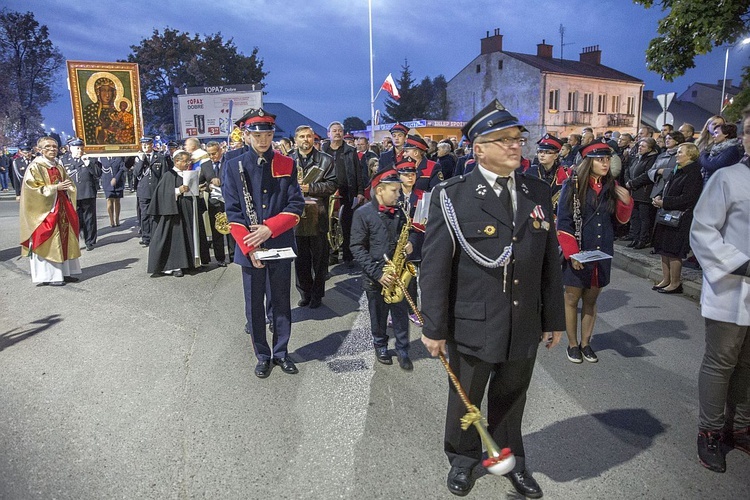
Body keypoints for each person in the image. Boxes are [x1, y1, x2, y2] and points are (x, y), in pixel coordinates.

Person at [420, 100, 565, 499]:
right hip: (473, 319)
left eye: (518, 139)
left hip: (523, 321)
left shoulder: (537, 190)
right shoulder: (453, 195)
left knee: (512, 395)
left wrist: (553, 318)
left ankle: (510, 458)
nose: (516, 146)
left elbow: (548, 260)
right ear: (478, 148)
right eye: (504, 141)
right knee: (466, 397)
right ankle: (463, 459)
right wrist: (433, 327)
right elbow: (435, 267)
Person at [689, 104, 750, 473]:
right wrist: (740, 263)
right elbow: (703, 230)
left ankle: (739, 426)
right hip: (732, 288)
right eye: (748, 132)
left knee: (749, 365)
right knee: (721, 362)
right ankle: (709, 431)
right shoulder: (728, 178)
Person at [223, 108, 305, 378]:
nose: (263, 140)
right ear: (247, 135)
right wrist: (250, 246)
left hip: (278, 241)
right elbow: (233, 213)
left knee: (281, 301)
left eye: (268, 134)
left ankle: (281, 352)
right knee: (254, 305)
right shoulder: (233, 165)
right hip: (250, 247)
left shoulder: (287, 163)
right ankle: (262, 355)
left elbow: (296, 206)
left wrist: (268, 229)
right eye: (257, 135)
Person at [557, 139, 633, 364]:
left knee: (591, 299)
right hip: (578, 249)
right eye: (600, 159)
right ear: (589, 162)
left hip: (602, 251)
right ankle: (572, 345)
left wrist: (626, 202)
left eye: (608, 159)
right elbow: (563, 222)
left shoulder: (612, 186)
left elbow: (621, 221)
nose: (605, 163)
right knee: (572, 299)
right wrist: (572, 254)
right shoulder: (573, 185)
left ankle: (586, 343)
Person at [350, 168, 415, 370]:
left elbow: (410, 231)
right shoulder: (362, 214)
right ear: (380, 191)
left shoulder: (401, 212)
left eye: (399, 190)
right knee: (377, 315)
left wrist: (410, 243)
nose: (399, 194)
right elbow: (356, 247)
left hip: (397, 272)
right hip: (376, 276)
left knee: (401, 314)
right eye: (394, 191)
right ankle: (380, 345)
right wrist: (377, 274)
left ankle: (403, 348)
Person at [19, 137, 81, 286]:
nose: (53, 149)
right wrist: (55, 188)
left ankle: (65, 272)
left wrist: (68, 188)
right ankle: (51, 275)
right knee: (49, 239)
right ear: (39, 150)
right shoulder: (36, 167)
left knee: (65, 238)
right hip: (45, 211)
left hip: (61, 208)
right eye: (48, 147)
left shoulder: (58, 166)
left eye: (55, 146)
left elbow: (68, 183)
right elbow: (32, 190)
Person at [290, 125, 337, 308]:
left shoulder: (326, 160)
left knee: (319, 260)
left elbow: (332, 185)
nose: (305, 140)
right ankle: (305, 293)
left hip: (318, 215)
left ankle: (317, 295)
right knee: (300, 260)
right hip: (295, 217)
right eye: (302, 136)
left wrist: (310, 188)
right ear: (296, 140)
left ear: (314, 139)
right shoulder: (287, 160)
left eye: (309, 136)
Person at [147, 151, 210, 277]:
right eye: (185, 161)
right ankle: (175, 265)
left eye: (189, 161)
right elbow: (162, 194)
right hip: (175, 212)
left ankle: (192, 263)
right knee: (176, 239)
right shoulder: (169, 175)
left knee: (191, 235)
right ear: (177, 161)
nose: (188, 164)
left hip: (190, 209)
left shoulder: (189, 174)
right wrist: (178, 191)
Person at [650, 142, 703, 294]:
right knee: (663, 249)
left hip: (680, 217)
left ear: (690, 155)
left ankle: (675, 283)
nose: (677, 154)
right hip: (667, 214)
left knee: (673, 251)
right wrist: (660, 197)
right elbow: (668, 189)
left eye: (680, 152)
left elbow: (688, 198)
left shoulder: (693, 174)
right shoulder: (677, 170)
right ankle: (665, 279)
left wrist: (664, 202)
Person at [323, 121, 364, 267]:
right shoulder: (323, 150)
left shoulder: (350, 151)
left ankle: (347, 255)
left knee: (347, 224)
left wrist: (359, 192)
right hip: (327, 193)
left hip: (346, 192)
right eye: (334, 130)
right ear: (329, 134)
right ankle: (331, 255)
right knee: (329, 225)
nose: (337, 133)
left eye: (340, 130)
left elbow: (358, 173)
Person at [61, 138, 101, 251]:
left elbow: (98, 174)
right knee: (75, 218)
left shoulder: (90, 159)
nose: (80, 150)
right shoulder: (64, 160)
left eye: (81, 148)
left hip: (88, 192)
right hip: (72, 194)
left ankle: (90, 241)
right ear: (71, 149)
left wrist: (88, 163)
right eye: (77, 148)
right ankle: (75, 241)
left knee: (89, 218)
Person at [134, 137, 172, 247]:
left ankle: (156, 235)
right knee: (145, 215)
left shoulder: (159, 156)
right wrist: (141, 160)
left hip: (156, 189)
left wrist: (162, 190)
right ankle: (146, 237)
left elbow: (163, 174)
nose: (145, 146)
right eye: (143, 145)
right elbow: (136, 173)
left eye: (147, 144)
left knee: (156, 215)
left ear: (151, 144)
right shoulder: (139, 157)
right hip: (143, 190)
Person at [624, 137, 658, 249]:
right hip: (633, 191)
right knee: (634, 216)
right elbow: (628, 170)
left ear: (650, 149)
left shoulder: (652, 159)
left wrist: (633, 183)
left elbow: (647, 175)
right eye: (639, 146)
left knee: (644, 217)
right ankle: (635, 237)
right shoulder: (637, 158)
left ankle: (642, 239)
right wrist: (628, 181)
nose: (640, 148)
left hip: (643, 192)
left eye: (643, 146)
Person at [525, 134, 570, 217]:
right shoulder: (529, 173)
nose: (542, 155)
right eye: (540, 152)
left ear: (556, 156)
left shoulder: (566, 174)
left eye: (547, 152)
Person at [205, 140, 234, 266]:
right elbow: (200, 183)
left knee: (231, 229)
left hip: (229, 201)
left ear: (220, 150)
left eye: (214, 153)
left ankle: (233, 255)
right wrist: (208, 186)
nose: (212, 156)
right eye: (210, 154)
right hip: (214, 202)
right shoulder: (205, 165)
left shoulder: (229, 162)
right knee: (217, 230)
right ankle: (220, 258)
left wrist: (221, 182)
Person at [99, 155, 126, 227]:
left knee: (117, 200)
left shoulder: (118, 157)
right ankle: (111, 220)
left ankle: (117, 218)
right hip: (107, 181)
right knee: (109, 200)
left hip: (118, 181)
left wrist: (116, 179)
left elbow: (122, 168)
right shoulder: (102, 157)